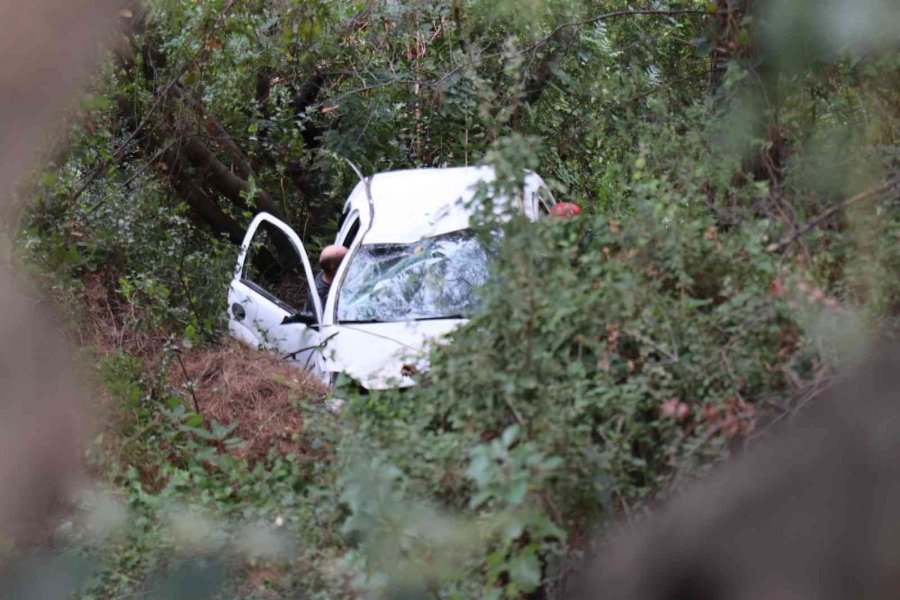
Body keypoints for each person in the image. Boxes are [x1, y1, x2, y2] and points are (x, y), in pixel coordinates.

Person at [304, 244, 348, 315]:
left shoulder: (323, 275)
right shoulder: (324, 300)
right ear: (333, 268)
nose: (352, 263)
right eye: (347, 262)